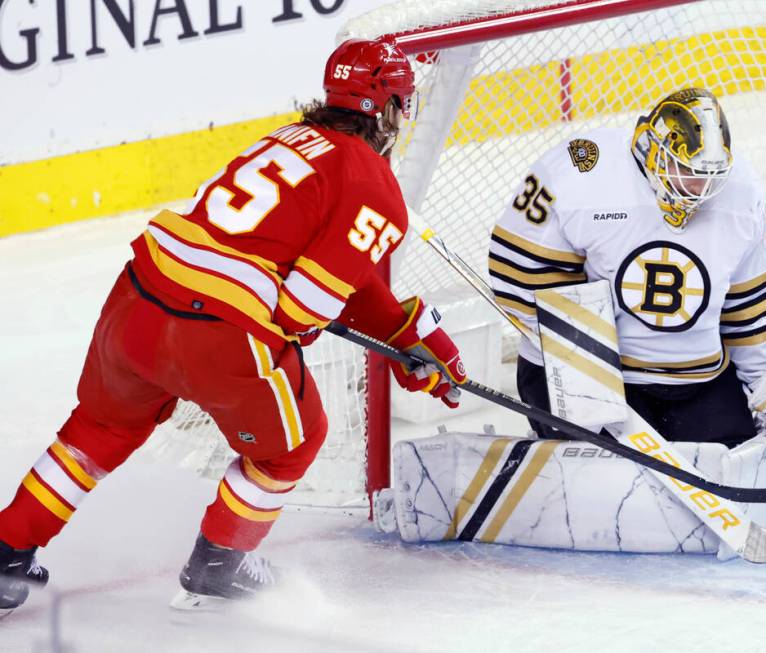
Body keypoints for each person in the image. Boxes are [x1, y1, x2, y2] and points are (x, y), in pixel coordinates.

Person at [0, 37, 467, 615]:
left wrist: (404, 333)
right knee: (295, 442)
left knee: (99, 428)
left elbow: (336, 276)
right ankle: (220, 561)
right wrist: (398, 346)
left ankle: (6, 554)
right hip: (218, 332)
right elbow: (303, 312)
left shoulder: (285, 140)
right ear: (388, 107)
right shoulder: (374, 184)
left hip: (137, 303)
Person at [489, 87, 766, 448]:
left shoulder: (741, 192)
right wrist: (583, 377)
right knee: (599, 481)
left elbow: (754, 309)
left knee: (730, 462)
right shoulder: (582, 169)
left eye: (709, 174)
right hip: (592, 375)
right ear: (651, 149)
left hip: (696, 381)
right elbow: (519, 270)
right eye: (685, 169)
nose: (699, 187)